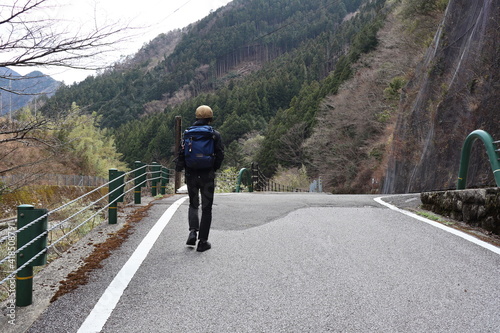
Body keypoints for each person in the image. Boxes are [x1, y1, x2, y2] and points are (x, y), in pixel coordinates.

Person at [175, 105, 224, 252]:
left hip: (191, 173)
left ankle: (192, 232)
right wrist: (213, 168)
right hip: (207, 174)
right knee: (207, 208)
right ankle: (203, 242)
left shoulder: (187, 134)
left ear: (196, 117)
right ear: (210, 118)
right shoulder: (214, 135)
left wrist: (182, 167)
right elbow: (220, 154)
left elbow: (181, 154)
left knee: (193, 204)